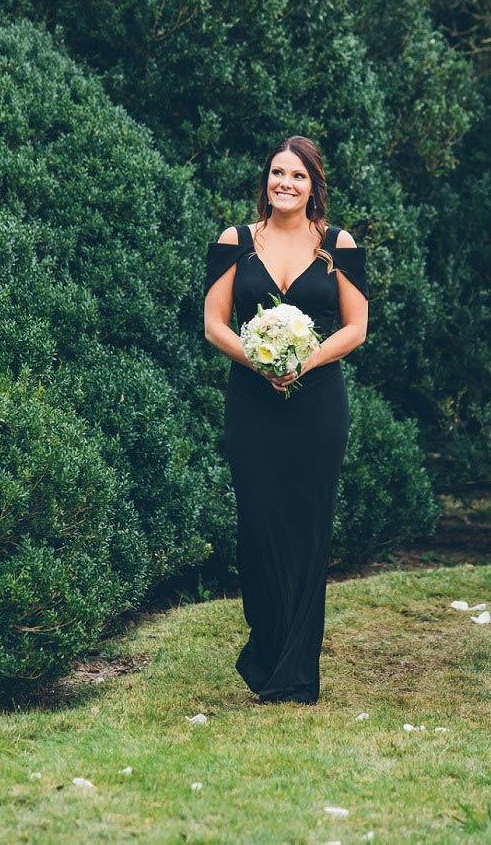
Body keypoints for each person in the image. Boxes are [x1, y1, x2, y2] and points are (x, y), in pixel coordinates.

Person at [204, 136, 368, 705]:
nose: (285, 184)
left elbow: (354, 327)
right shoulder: (235, 241)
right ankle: (267, 646)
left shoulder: (337, 245)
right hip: (252, 405)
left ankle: (296, 672)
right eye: (277, 173)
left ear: (313, 185)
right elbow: (214, 324)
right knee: (259, 524)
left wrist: (302, 361)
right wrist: (262, 360)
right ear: (266, 181)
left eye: (297, 176)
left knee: (307, 527)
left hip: (318, 404)